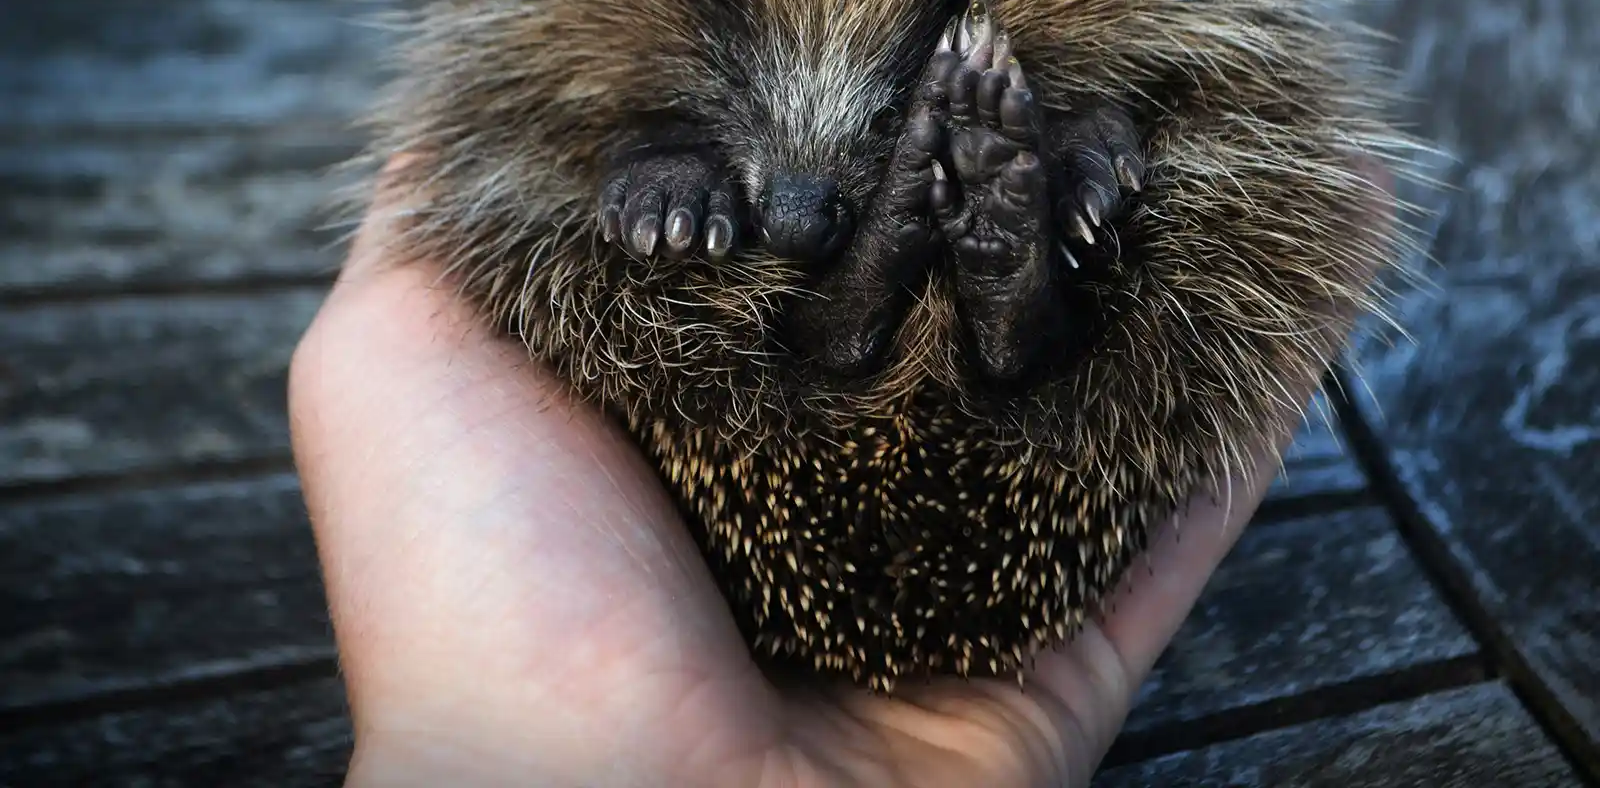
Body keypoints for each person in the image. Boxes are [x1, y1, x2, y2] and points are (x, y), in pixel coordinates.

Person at [289, 161, 1390, 787]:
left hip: (834, 431)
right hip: (852, 446)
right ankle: (1000, 321)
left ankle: (915, 313)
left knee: (1166, 231)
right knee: (644, 289)